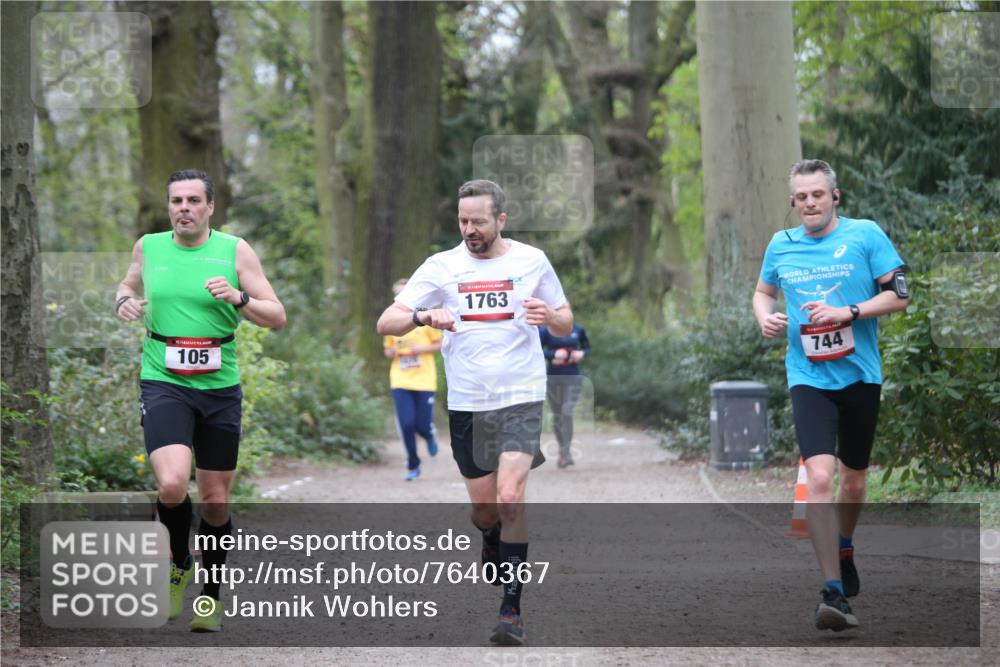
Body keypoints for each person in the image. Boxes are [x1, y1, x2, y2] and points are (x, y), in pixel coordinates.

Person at [376, 179, 573, 646]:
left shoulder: (531, 261)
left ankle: (511, 611)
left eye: (479, 221)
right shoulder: (440, 267)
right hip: (468, 401)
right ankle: (489, 536)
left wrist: (548, 313)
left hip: (521, 395)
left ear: (501, 220)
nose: (470, 230)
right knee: (486, 510)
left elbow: (565, 320)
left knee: (510, 498)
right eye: (463, 221)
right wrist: (425, 317)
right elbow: (387, 322)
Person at [116, 169, 286, 632]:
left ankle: (209, 595)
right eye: (176, 201)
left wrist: (237, 296)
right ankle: (177, 562)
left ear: (211, 207)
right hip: (163, 380)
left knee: (214, 501)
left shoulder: (234, 250)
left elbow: (276, 315)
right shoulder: (148, 246)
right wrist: (123, 301)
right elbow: (128, 285)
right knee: (172, 484)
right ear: (169, 206)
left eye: (193, 200)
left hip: (219, 389)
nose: (184, 208)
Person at [753, 159, 908, 632]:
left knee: (854, 479)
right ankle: (833, 591)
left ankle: (845, 543)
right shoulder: (782, 245)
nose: (809, 203)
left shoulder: (865, 235)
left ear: (835, 197)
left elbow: (900, 295)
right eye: (801, 197)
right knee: (819, 476)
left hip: (860, 374)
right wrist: (765, 316)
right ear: (794, 202)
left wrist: (849, 311)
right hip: (808, 376)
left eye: (817, 194)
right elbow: (763, 292)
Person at [384, 278, 443, 481]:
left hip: (424, 380)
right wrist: (392, 352)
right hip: (400, 380)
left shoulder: (426, 318)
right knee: (406, 424)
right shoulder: (392, 321)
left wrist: (422, 349)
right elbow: (388, 348)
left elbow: (440, 345)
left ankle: (429, 435)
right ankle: (413, 465)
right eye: (396, 294)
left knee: (421, 425)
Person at [538, 323, 590, 468]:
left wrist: (582, 354)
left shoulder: (578, 329)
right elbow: (536, 350)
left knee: (567, 411)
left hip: (573, 377)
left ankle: (566, 452)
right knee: (558, 414)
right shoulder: (545, 330)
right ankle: (563, 450)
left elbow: (587, 347)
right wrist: (553, 354)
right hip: (553, 378)